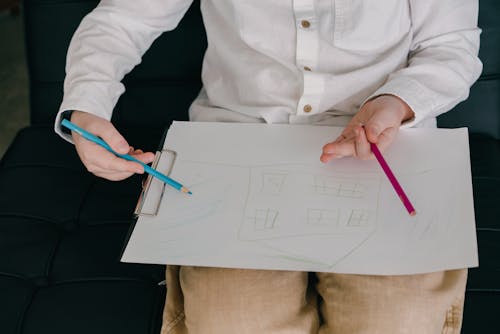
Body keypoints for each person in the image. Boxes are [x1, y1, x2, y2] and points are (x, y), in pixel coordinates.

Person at [54, 1, 482, 333]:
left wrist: (397, 101)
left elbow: (451, 46)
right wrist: (86, 108)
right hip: (239, 143)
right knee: (233, 321)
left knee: (395, 322)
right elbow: (121, 20)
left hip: (387, 146)